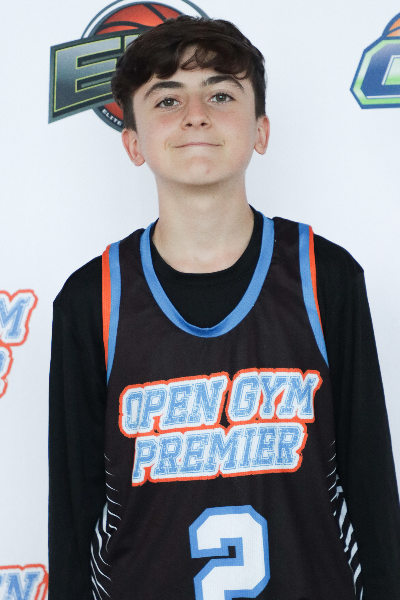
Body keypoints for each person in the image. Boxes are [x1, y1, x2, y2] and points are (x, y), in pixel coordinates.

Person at [48, 15, 400, 600]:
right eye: (167, 99)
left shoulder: (325, 277)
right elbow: (72, 511)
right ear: (132, 143)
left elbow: (371, 487)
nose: (196, 115)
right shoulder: (93, 299)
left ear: (261, 130)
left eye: (220, 94)